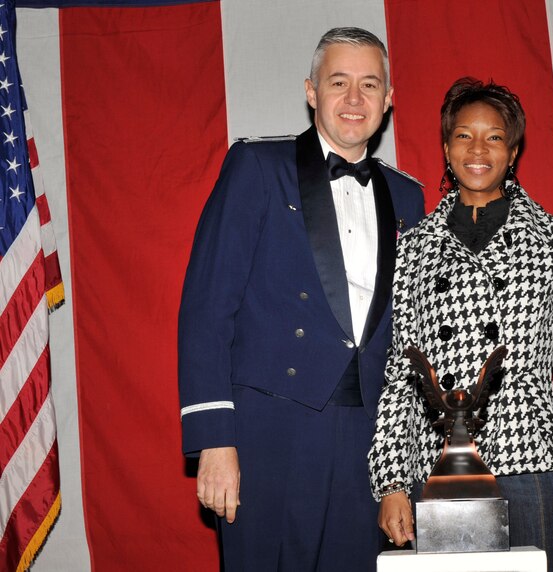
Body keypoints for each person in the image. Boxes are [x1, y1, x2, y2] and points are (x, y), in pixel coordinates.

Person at [177, 27, 425, 571]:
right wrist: (214, 440)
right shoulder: (258, 167)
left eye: (369, 85)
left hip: (368, 437)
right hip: (271, 430)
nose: (354, 100)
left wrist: (401, 466)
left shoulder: (409, 195)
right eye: (339, 83)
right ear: (311, 91)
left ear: (388, 100)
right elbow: (206, 308)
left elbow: (410, 336)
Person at [369, 78, 553, 572]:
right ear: (445, 147)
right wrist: (391, 481)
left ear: (514, 149)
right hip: (434, 465)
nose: (478, 149)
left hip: (528, 464)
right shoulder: (414, 247)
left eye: (494, 137)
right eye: (463, 135)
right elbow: (400, 372)